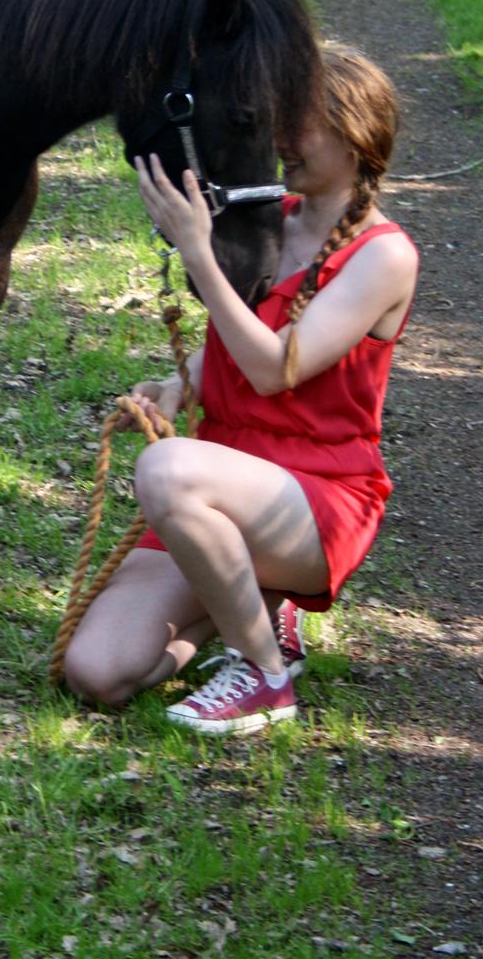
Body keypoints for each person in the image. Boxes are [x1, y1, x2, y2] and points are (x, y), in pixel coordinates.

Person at [62, 45, 419, 734]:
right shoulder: (269, 217)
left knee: (166, 470)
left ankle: (262, 674)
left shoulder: (382, 255)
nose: (279, 142)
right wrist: (178, 381)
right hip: (223, 484)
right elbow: (233, 339)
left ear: (353, 137)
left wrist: (198, 250)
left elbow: (273, 367)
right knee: (97, 673)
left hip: (317, 501)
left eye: (299, 125)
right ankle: (255, 611)